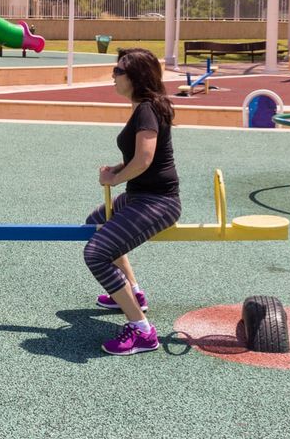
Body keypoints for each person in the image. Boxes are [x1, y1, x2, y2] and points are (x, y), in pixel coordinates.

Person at [83, 48, 181, 355]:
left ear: (136, 77)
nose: (113, 75)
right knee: (95, 223)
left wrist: (115, 178)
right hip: (142, 196)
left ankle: (141, 331)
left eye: (118, 70)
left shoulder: (146, 110)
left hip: (157, 202)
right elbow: (141, 161)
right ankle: (132, 293)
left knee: (96, 253)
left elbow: (144, 159)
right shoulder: (146, 107)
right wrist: (117, 167)